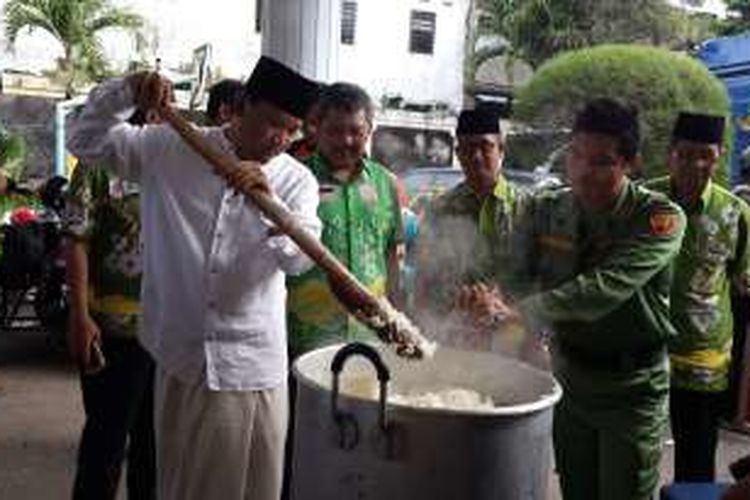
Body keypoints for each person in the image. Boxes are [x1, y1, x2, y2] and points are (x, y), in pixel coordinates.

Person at [66, 56, 322, 500]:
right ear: (241, 106)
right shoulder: (169, 148)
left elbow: (299, 259)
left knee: (256, 487)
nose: (280, 140)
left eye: (291, 130)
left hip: (255, 365)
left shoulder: (295, 180)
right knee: (186, 486)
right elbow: (85, 140)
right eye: (271, 124)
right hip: (183, 358)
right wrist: (126, 91)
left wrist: (268, 202)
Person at [477, 98, 686, 500]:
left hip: (631, 389)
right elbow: (511, 273)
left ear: (631, 164)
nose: (584, 171)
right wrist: (485, 297)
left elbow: (604, 288)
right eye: (575, 155)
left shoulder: (659, 217)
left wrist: (518, 311)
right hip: (569, 380)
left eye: (602, 161)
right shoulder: (548, 209)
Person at [646, 112, 750, 482]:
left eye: (705, 155)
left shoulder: (735, 213)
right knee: (635, 457)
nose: (695, 165)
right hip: (645, 355)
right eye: (685, 154)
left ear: (719, 155)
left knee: (696, 467)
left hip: (703, 363)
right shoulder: (645, 201)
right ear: (671, 154)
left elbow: (742, 286)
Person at [63, 108, 160, 500]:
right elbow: (76, 240)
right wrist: (80, 316)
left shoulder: (169, 165)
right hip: (113, 329)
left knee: (153, 449)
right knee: (106, 441)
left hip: (166, 333)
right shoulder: (97, 164)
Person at [286, 82, 403, 358]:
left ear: (369, 131)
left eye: (356, 131)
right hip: (307, 335)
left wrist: (394, 316)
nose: (346, 141)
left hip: (370, 338)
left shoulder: (385, 184)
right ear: (316, 129)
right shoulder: (295, 179)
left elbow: (392, 255)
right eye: (336, 131)